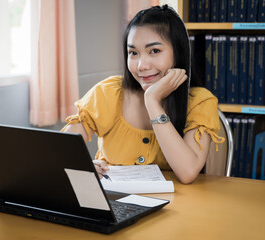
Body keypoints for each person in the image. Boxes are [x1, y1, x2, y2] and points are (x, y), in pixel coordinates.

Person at [62, 5, 224, 184]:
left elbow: (187, 172)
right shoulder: (109, 93)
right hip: (115, 204)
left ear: (178, 53)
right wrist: (82, 166)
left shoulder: (199, 102)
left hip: (177, 208)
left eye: (154, 51)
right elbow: (61, 152)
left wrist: (152, 102)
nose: (141, 65)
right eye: (133, 53)